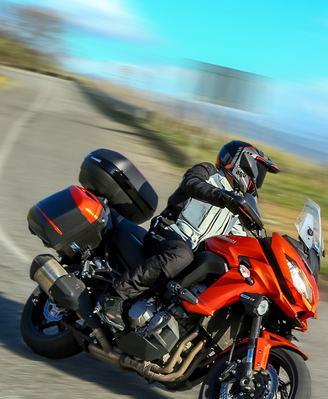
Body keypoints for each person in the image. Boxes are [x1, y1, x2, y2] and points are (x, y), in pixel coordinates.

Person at [99, 140, 280, 330]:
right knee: (182, 255)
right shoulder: (208, 172)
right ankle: (115, 295)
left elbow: (241, 241)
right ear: (242, 164)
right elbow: (191, 183)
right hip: (166, 233)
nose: (258, 180)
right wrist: (223, 196)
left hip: (190, 253)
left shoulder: (237, 204)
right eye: (258, 171)